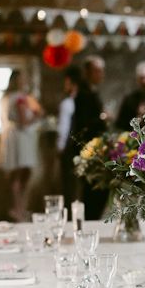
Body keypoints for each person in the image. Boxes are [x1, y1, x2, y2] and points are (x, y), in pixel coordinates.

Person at [63, 56, 107, 219]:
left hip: (93, 146)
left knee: (96, 190)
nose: (100, 75)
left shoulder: (90, 91)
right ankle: (88, 223)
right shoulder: (83, 93)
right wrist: (102, 119)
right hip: (87, 147)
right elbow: (84, 121)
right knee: (92, 190)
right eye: (97, 71)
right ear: (88, 72)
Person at [0, 70, 43, 221]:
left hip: (14, 137)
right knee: (19, 174)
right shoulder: (20, 98)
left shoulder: (7, 98)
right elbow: (24, 122)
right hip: (21, 139)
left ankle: (19, 207)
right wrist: (37, 116)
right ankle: (18, 208)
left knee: (19, 174)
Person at [56, 65, 83, 207]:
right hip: (81, 148)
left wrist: (59, 148)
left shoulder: (67, 103)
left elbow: (63, 128)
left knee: (68, 186)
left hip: (69, 149)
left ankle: (69, 214)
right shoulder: (84, 102)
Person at [116, 61, 145, 131]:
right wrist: (138, 117)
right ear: (138, 80)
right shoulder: (129, 100)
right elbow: (120, 125)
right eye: (142, 78)